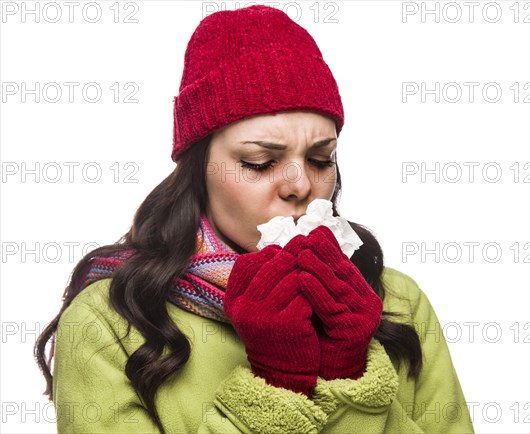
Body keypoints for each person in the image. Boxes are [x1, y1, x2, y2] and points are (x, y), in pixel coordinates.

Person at [34, 5, 475, 433]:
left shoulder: (397, 300)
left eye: (322, 159)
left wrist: (348, 371)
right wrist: (276, 383)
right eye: (260, 162)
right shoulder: (108, 321)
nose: (300, 185)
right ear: (199, 170)